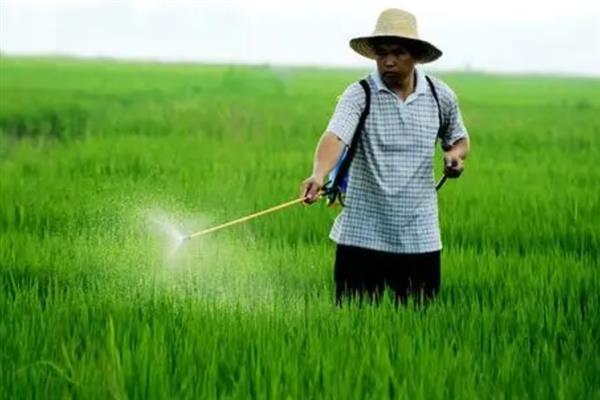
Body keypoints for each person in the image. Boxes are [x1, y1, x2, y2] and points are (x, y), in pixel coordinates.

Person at [300, 8, 470, 305]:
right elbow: (335, 136)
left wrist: (455, 156)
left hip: (420, 236)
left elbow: (458, 140)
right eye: (382, 54)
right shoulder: (359, 95)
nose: (388, 61)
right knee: (353, 328)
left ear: (415, 55)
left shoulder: (439, 95)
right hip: (361, 236)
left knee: (419, 330)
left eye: (399, 52)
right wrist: (319, 173)